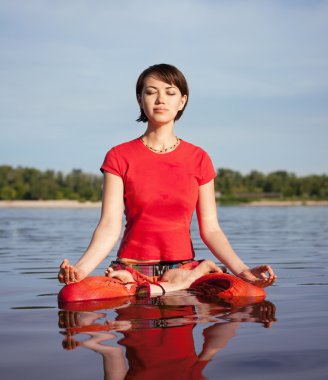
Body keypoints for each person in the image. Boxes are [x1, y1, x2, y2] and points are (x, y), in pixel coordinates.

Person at [58, 63, 277, 291]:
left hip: (183, 270)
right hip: (130, 272)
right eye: (151, 92)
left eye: (170, 93)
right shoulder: (119, 156)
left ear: (182, 101)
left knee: (247, 294)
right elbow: (109, 226)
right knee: (72, 296)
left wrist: (242, 271)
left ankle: (179, 283)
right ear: (140, 100)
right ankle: (150, 288)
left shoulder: (199, 158)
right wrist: (81, 270)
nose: (160, 99)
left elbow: (211, 230)